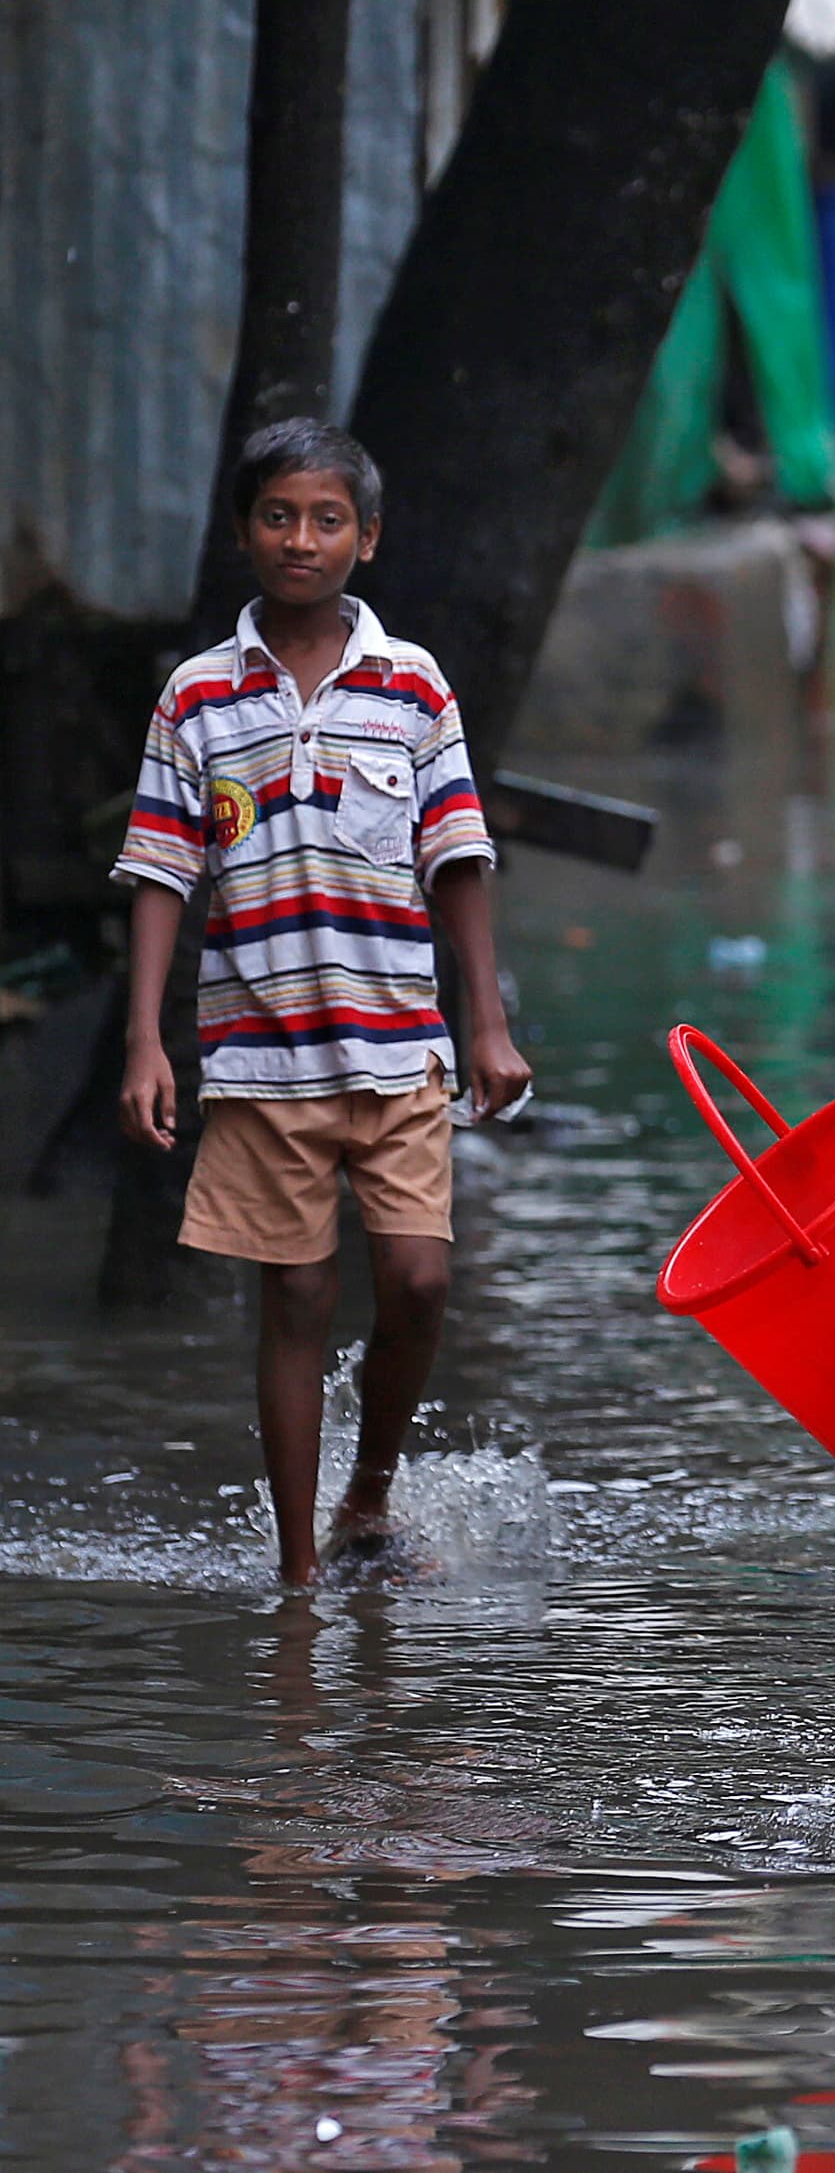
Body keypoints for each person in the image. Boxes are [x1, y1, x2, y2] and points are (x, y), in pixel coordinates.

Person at [111, 419, 533, 1587]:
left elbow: (457, 853)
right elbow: (157, 872)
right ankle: (299, 1574)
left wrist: (485, 1018)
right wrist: (148, 1040)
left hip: (399, 1040)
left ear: (368, 537)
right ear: (246, 532)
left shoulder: (412, 685)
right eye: (280, 517)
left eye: (327, 518)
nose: (302, 539)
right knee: (292, 1296)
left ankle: (368, 1494)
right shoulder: (197, 697)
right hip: (255, 1053)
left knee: (419, 1277)